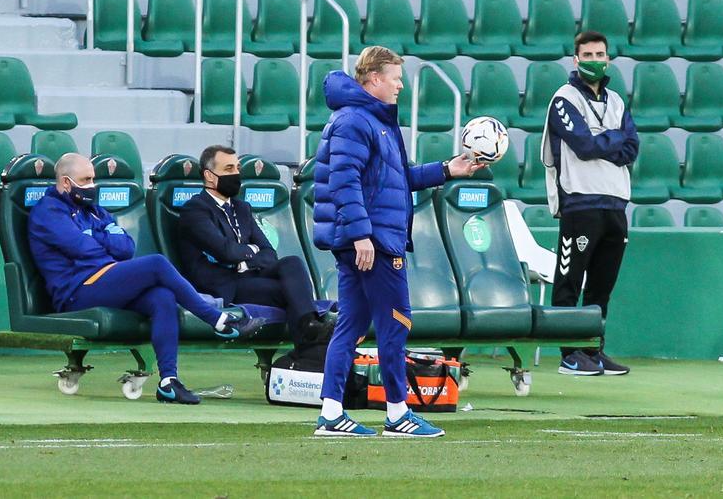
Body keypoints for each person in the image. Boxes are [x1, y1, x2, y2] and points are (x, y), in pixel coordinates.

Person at [312, 46, 484, 438]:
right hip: (372, 239)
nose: (400, 86)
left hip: (370, 236)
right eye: (395, 78)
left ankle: (332, 412)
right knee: (395, 322)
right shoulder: (357, 121)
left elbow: (396, 178)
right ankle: (397, 413)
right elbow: (344, 180)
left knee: (351, 324)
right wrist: (361, 235)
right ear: (373, 78)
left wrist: (447, 169)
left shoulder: (372, 120)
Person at [27, 153, 264, 405]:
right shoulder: (48, 211)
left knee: (162, 297)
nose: (92, 186)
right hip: (76, 291)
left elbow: (126, 247)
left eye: (93, 179)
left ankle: (168, 382)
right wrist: (102, 240)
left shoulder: (94, 211)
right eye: (85, 180)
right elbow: (82, 249)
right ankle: (217, 319)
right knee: (157, 264)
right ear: (65, 183)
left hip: (107, 279)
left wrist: (93, 235)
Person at [542, 30, 639, 377]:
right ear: (576, 59)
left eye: (600, 55)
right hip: (579, 201)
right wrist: (612, 140)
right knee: (569, 280)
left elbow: (632, 148)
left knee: (602, 285)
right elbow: (583, 146)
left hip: (616, 202)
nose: (595, 61)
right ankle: (569, 353)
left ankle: (593, 349)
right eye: (588, 55)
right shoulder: (563, 99)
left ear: (608, 59)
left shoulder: (617, 101)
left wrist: (606, 141)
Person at [177, 145, 329, 346]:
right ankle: (307, 341)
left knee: (291, 263)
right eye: (229, 169)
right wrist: (251, 251)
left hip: (250, 275)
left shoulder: (242, 208)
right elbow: (225, 252)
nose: (237, 174)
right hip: (222, 285)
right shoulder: (195, 210)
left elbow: (269, 253)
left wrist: (244, 260)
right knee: (287, 292)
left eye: (238, 168)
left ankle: (308, 328)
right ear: (210, 176)